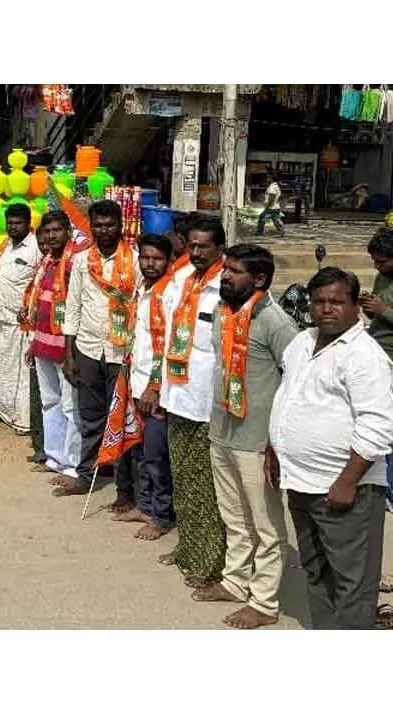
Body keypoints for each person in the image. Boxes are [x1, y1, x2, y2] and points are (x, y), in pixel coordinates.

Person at [270, 267, 393, 629]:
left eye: (337, 302)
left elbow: (378, 424)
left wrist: (347, 481)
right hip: (301, 483)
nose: (326, 309)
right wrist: (274, 449)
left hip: (345, 490)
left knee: (352, 584)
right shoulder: (302, 342)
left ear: (356, 306)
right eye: (319, 301)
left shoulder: (364, 355)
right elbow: (288, 397)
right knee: (316, 572)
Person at [190, 243, 298, 629]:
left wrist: (277, 441)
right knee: (233, 514)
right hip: (223, 429)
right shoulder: (224, 311)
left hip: (257, 440)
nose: (225, 276)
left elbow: (296, 379)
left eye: (235, 271)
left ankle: (264, 602)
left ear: (260, 279)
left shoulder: (276, 322)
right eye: (226, 269)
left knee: (266, 524)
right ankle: (235, 581)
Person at [158, 214, 227, 588]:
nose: (197, 252)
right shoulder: (181, 278)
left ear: (220, 248)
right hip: (177, 396)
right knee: (182, 479)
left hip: (207, 403)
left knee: (205, 486)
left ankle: (209, 562)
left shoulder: (226, 286)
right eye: (193, 245)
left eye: (205, 246)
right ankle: (188, 548)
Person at [55, 201, 138, 504]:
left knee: (121, 417)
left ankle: (125, 487)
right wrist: (69, 355)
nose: (104, 231)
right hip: (88, 348)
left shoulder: (135, 261)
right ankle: (87, 473)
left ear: (120, 225)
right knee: (90, 416)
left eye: (110, 225)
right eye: (98, 226)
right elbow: (73, 307)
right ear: (91, 227)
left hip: (121, 351)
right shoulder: (81, 260)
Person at [119, 234, 178, 542]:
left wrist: (155, 388)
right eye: (145, 257)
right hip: (137, 381)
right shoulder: (142, 289)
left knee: (156, 455)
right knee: (139, 451)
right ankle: (144, 505)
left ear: (169, 261)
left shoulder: (170, 294)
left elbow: (168, 346)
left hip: (157, 389)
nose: (150, 264)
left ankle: (162, 515)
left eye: (157, 259)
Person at [24, 211, 80, 477]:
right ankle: (55, 457)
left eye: (57, 230)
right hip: (43, 343)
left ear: (68, 231)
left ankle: (73, 464)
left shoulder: (75, 261)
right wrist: (33, 343)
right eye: (47, 231)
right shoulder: (46, 262)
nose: (51, 236)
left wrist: (73, 352)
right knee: (49, 402)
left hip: (65, 348)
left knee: (70, 406)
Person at [0, 203, 41, 433]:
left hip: (21, 322)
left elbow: (40, 282)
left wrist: (31, 309)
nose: (13, 227)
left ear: (28, 224)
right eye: (10, 223)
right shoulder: (5, 245)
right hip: (0, 317)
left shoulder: (36, 248)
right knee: (2, 368)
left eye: (18, 223)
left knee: (22, 372)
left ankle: (23, 419)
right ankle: (3, 411)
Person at [358, 226, 393, 512]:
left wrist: (384, 311)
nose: (376, 266)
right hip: (378, 352)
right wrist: (371, 309)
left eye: (382, 261)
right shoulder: (383, 277)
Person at [255, 172, 285, 237]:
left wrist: (268, 205)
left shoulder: (272, 187)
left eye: (268, 177)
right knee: (275, 219)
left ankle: (260, 232)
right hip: (276, 206)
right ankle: (281, 231)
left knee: (262, 217)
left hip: (272, 207)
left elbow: (272, 197)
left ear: (271, 178)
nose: (267, 179)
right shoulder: (276, 186)